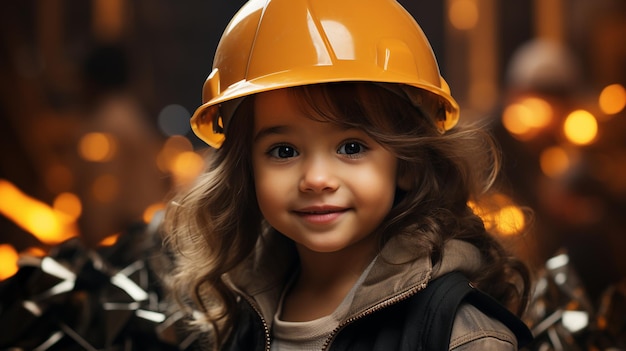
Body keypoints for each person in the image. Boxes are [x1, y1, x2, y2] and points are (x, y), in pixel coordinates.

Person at [162, 0, 532, 350]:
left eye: (351, 147)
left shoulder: (458, 334)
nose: (317, 179)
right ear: (246, 170)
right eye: (284, 151)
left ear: (407, 163)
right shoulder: (235, 313)